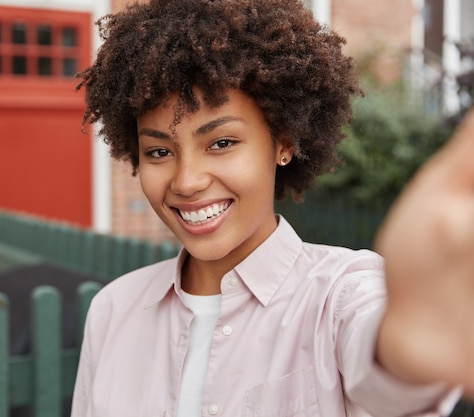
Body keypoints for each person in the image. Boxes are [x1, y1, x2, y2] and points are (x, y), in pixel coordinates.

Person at [71, 0, 470, 415]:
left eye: (221, 143)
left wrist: (403, 347)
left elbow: (384, 363)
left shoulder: (339, 298)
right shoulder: (113, 310)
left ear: (283, 143)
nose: (187, 181)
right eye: (158, 151)